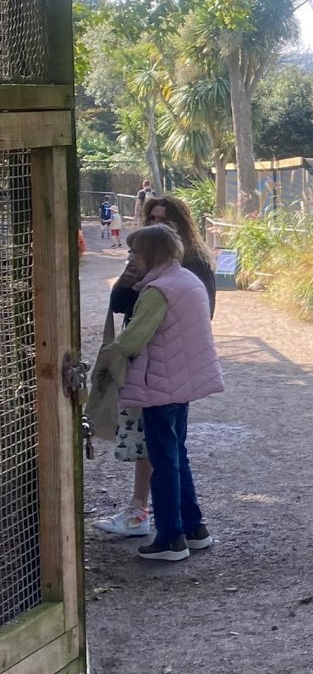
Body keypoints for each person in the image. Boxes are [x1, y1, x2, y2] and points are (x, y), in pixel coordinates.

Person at [93, 196, 217, 538]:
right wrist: (130, 279)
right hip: (158, 368)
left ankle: (169, 534)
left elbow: (193, 319)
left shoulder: (180, 272)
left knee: (164, 454)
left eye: (167, 220)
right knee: (158, 448)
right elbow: (119, 303)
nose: (159, 224)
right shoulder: (150, 263)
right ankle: (184, 527)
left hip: (162, 369)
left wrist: (119, 351)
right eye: (152, 218)